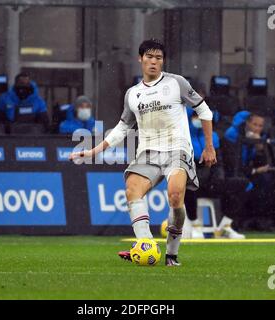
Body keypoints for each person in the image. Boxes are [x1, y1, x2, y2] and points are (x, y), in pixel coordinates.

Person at [69, 39, 216, 266]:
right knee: (132, 190)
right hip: (147, 152)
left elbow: (204, 111)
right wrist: (94, 151)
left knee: (176, 196)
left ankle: (172, 254)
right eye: (149, 57)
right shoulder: (133, 94)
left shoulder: (177, 83)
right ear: (141, 59)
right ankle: (145, 244)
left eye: (158, 58)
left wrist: (208, 147)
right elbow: (122, 128)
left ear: (163, 61)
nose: (154, 62)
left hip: (177, 148)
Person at [183, 108, 247, 239]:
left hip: (211, 182)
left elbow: (219, 164)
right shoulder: (184, 136)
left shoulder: (214, 138)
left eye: (203, 117)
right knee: (189, 184)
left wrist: (218, 178)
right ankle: (195, 225)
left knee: (244, 184)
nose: (200, 120)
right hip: (191, 182)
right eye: (196, 116)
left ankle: (225, 227)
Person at [223, 110, 275, 229]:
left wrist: (259, 148)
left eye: (260, 126)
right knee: (244, 182)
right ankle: (237, 222)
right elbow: (233, 163)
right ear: (247, 124)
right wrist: (254, 171)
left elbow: (264, 165)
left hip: (249, 171)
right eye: (255, 124)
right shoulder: (232, 134)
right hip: (232, 171)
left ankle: (261, 221)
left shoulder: (262, 137)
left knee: (268, 181)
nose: (257, 128)